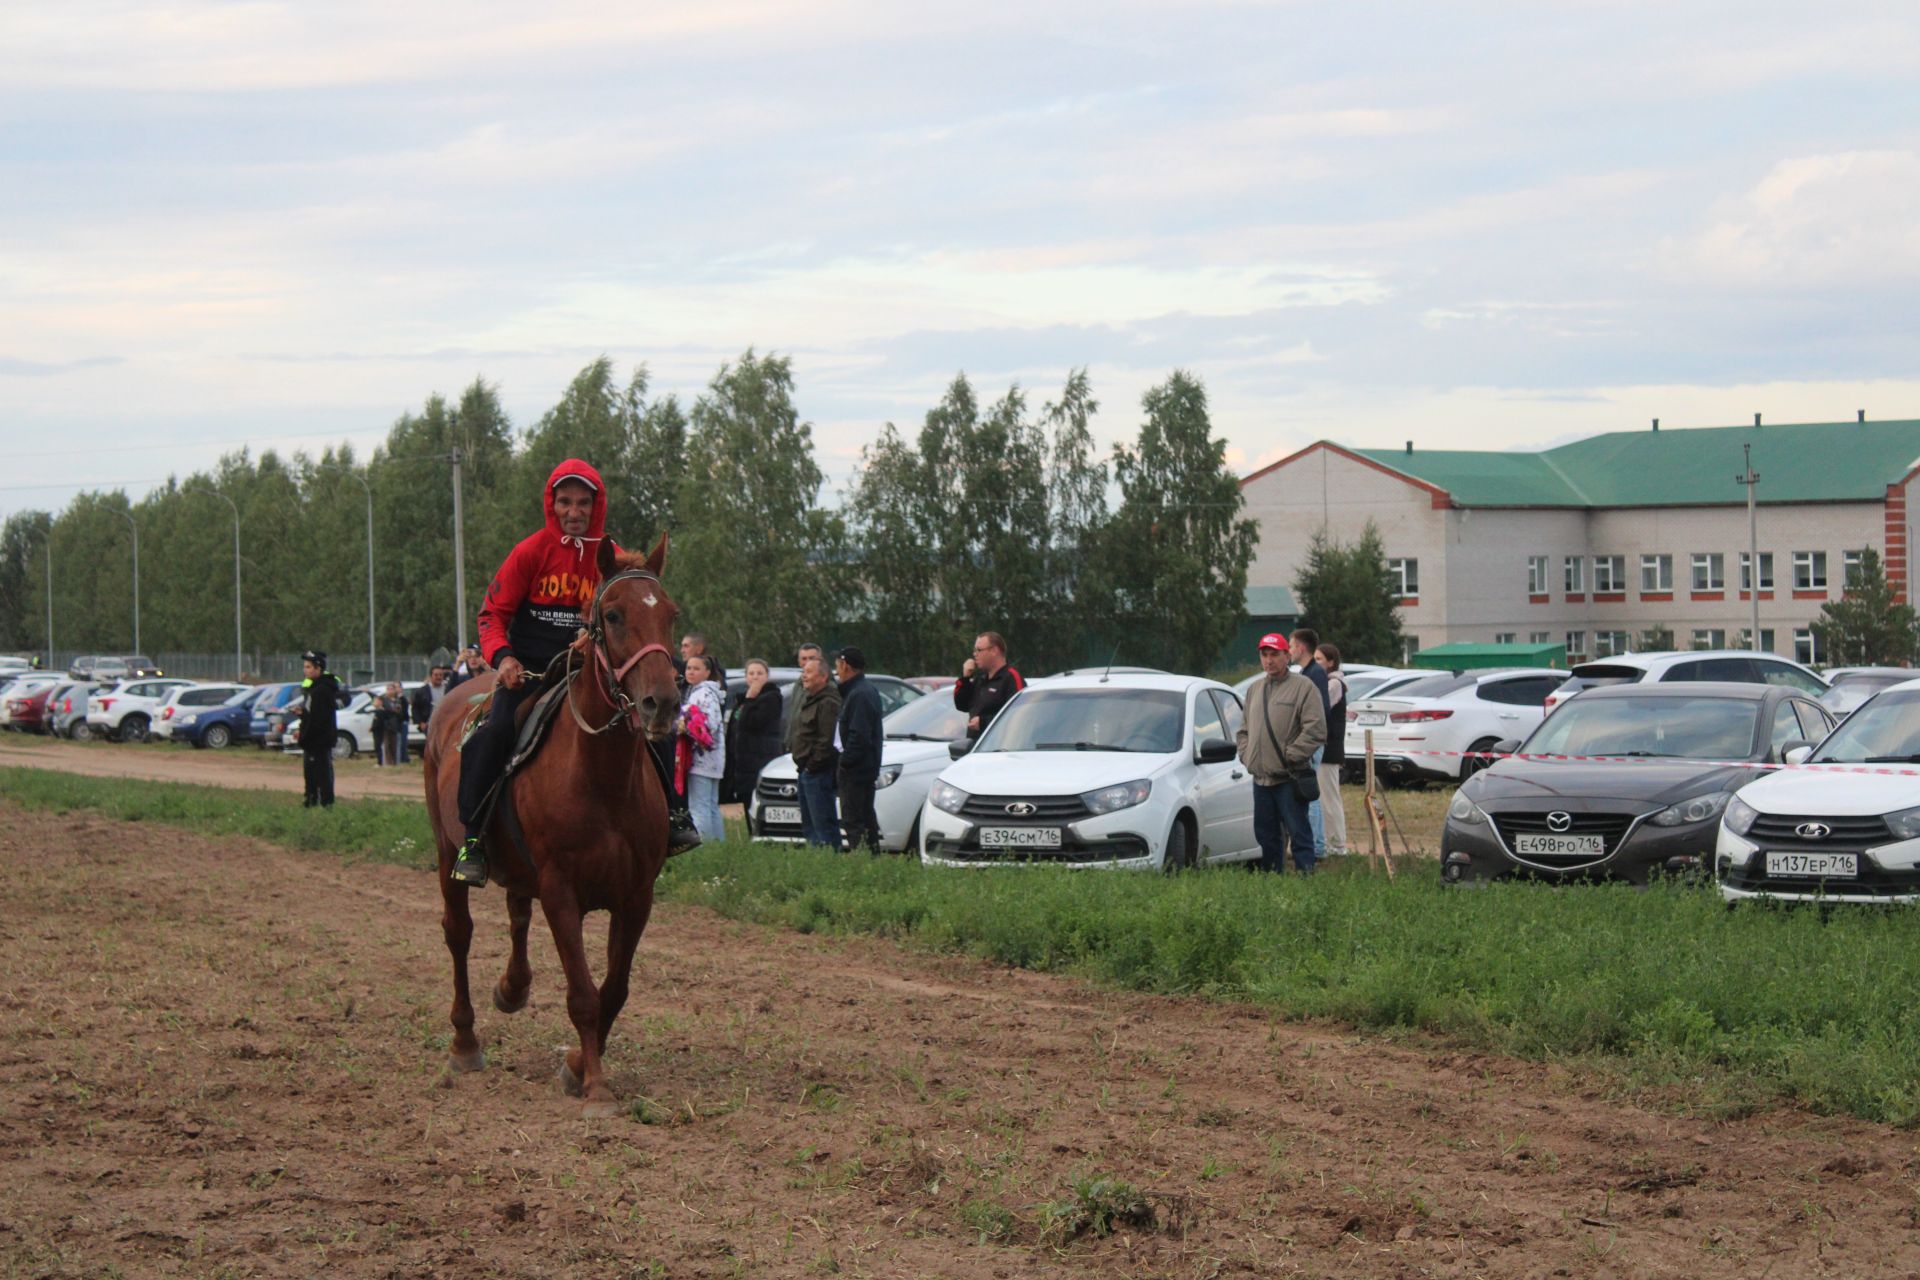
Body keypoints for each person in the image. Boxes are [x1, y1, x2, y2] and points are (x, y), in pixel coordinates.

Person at [452, 458, 696, 888]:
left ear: (595, 506)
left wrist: (595, 637)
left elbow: (627, 613)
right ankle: (472, 839)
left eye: (583, 503)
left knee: (645, 723)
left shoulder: (611, 556)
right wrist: (503, 657)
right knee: (491, 734)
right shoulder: (529, 553)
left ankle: (674, 813)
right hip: (529, 672)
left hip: (588, 668)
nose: (574, 511)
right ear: (552, 504)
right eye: (565, 502)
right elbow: (492, 614)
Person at [1236, 632, 1326, 873]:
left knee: (1299, 833)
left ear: (1287, 656)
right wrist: (1247, 756)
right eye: (1264, 655)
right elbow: (1243, 731)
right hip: (1261, 779)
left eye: (1274, 654)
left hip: (1289, 777)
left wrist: (1292, 755)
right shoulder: (1254, 689)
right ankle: (1272, 881)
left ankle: (1306, 880)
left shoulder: (1304, 687)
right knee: (1266, 835)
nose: (1269, 660)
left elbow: (1316, 729)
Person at [834, 646, 885, 855]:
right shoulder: (856, 691)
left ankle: (864, 863)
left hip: (857, 770)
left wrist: (845, 762)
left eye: (837, 665)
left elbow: (859, 735)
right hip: (859, 767)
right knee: (864, 818)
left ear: (845, 665)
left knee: (855, 820)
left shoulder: (861, 693)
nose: (836, 670)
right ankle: (870, 861)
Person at [788, 654, 842, 849]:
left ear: (823, 677)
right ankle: (817, 864)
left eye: (809, 672)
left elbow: (826, 740)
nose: (805, 676)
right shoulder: (810, 699)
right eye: (803, 672)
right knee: (810, 827)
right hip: (805, 770)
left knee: (823, 825)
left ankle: (830, 863)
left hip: (818, 772)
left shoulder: (828, 702)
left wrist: (813, 766)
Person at [1290, 628, 1332, 859]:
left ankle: (1316, 847)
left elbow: (1319, 710)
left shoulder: (1314, 674)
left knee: (1309, 792)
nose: (1289, 650)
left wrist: (1307, 737)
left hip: (1312, 741)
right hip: (1311, 740)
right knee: (1308, 791)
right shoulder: (1309, 672)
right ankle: (1316, 844)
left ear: (1301, 648)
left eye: (1291, 645)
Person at [677, 654, 727, 843]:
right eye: (689, 668)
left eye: (696, 668)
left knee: (700, 807)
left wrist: (683, 726)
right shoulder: (702, 692)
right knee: (711, 805)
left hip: (703, 759)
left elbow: (708, 726)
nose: (690, 672)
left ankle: (704, 847)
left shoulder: (703, 694)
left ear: (707, 672)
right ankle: (718, 846)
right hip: (712, 759)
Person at [725, 658, 785, 802]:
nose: (755, 677)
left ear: (767, 676)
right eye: (751, 673)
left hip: (760, 758)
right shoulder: (741, 700)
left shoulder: (772, 697)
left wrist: (750, 699)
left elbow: (753, 723)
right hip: (742, 763)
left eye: (759, 673)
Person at [953, 630, 1023, 740]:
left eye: (979, 650)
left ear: (994, 650)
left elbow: (1018, 716)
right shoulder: (980, 679)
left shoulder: (1011, 678)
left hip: (999, 747)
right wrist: (965, 678)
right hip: (975, 748)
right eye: (974, 650)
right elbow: (961, 705)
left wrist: (984, 722)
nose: (974, 654)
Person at [297, 649, 344, 808]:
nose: (305, 670)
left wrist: (305, 737)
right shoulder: (315, 688)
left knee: (321, 775)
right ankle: (311, 801)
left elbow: (318, 719)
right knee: (311, 774)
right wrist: (302, 713)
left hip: (318, 741)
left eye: (309, 667)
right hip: (315, 741)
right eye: (305, 667)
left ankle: (324, 803)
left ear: (318, 668)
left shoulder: (322, 690)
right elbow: (312, 714)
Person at [1315, 642, 1349, 857]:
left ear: (1331, 662)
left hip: (1329, 749)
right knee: (1323, 797)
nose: (1316, 663)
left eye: (1319, 659)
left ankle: (1337, 844)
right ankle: (1328, 840)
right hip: (1324, 747)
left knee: (1329, 798)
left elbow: (1319, 704)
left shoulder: (1334, 683)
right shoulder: (1327, 680)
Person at [677, 632, 727, 697]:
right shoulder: (685, 680)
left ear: (699, 649)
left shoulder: (711, 687)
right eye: (689, 668)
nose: (682, 650)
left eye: (686, 646)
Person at [411, 663, 449, 745]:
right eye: (436, 675)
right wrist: (420, 723)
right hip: (429, 723)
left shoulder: (448, 689)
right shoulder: (422, 691)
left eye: (441, 675)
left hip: (445, 722)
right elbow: (415, 708)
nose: (439, 677)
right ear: (431, 676)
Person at [380, 681, 410, 765]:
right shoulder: (384, 700)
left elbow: (401, 712)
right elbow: (386, 711)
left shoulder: (399, 700)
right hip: (386, 725)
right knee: (387, 745)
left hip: (396, 725)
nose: (390, 691)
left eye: (392, 689)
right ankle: (387, 762)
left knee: (397, 744)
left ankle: (396, 761)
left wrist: (396, 711)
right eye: (388, 689)